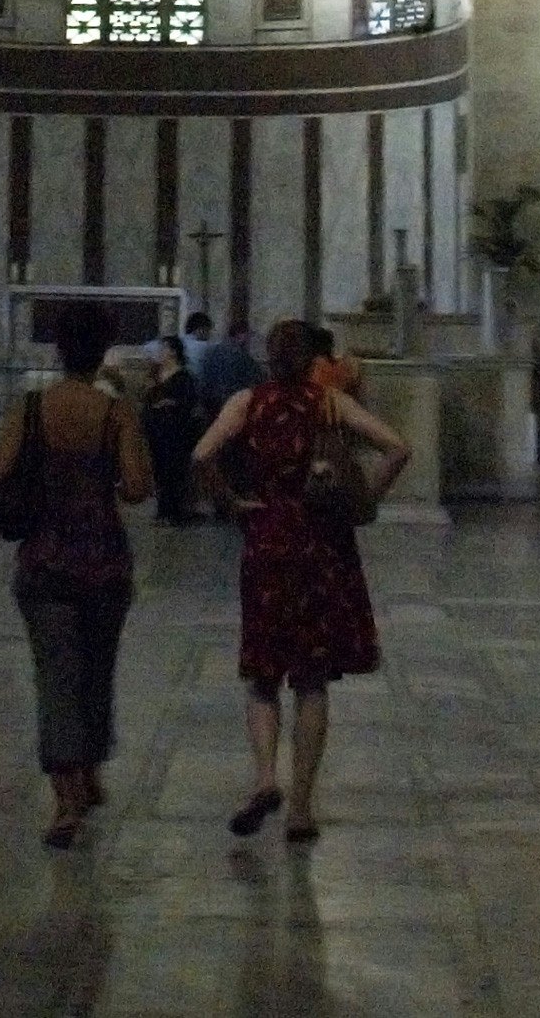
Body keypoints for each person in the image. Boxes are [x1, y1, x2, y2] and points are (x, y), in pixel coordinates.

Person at [191, 317, 411, 843]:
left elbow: (202, 455)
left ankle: (266, 778)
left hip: (267, 541)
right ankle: (302, 809)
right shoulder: (330, 404)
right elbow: (398, 448)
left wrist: (231, 503)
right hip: (321, 546)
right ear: (314, 360)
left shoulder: (247, 402)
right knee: (311, 680)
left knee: (263, 673)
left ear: (269, 357)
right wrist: (367, 502)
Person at [0, 304, 155, 847]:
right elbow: (135, 489)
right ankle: (89, 770)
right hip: (104, 558)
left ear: (58, 349)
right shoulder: (116, 414)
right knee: (97, 669)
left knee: (56, 675)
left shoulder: (32, 407)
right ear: (103, 351)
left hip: (45, 559)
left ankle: (65, 798)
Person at [141, 334, 206, 524]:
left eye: (163, 349)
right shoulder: (155, 376)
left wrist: (169, 404)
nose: (159, 353)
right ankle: (163, 509)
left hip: (176, 433)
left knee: (175, 471)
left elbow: (187, 403)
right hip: (157, 431)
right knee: (160, 470)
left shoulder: (184, 377)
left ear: (173, 352)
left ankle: (176, 510)